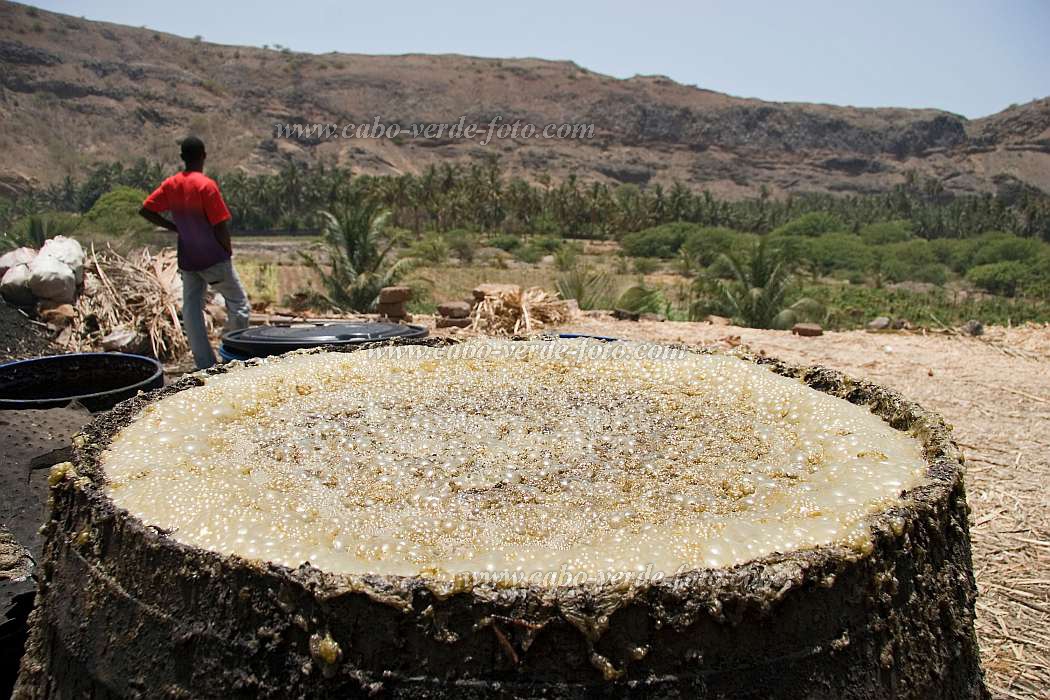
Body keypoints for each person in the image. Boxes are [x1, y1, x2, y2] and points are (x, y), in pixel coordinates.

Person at [140, 136, 251, 369]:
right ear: (204, 155)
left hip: (188, 259)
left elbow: (146, 209)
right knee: (239, 305)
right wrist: (226, 250)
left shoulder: (171, 184)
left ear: (182, 157)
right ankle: (235, 354)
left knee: (191, 308)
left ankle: (205, 363)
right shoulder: (205, 185)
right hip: (213, 257)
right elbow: (220, 224)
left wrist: (173, 227)